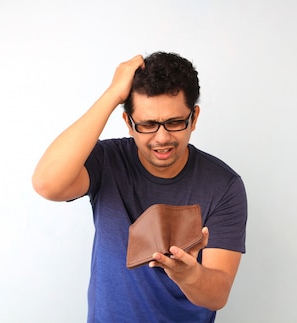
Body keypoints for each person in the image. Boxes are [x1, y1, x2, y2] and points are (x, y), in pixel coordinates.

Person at [32, 52, 247, 322]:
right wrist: (112, 95)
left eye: (175, 122)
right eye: (147, 124)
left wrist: (190, 276)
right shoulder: (106, 162)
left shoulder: (224, 185)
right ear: (128, 124)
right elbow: (46, 183)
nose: (162, 138)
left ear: (194, 118)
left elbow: (217, 296)